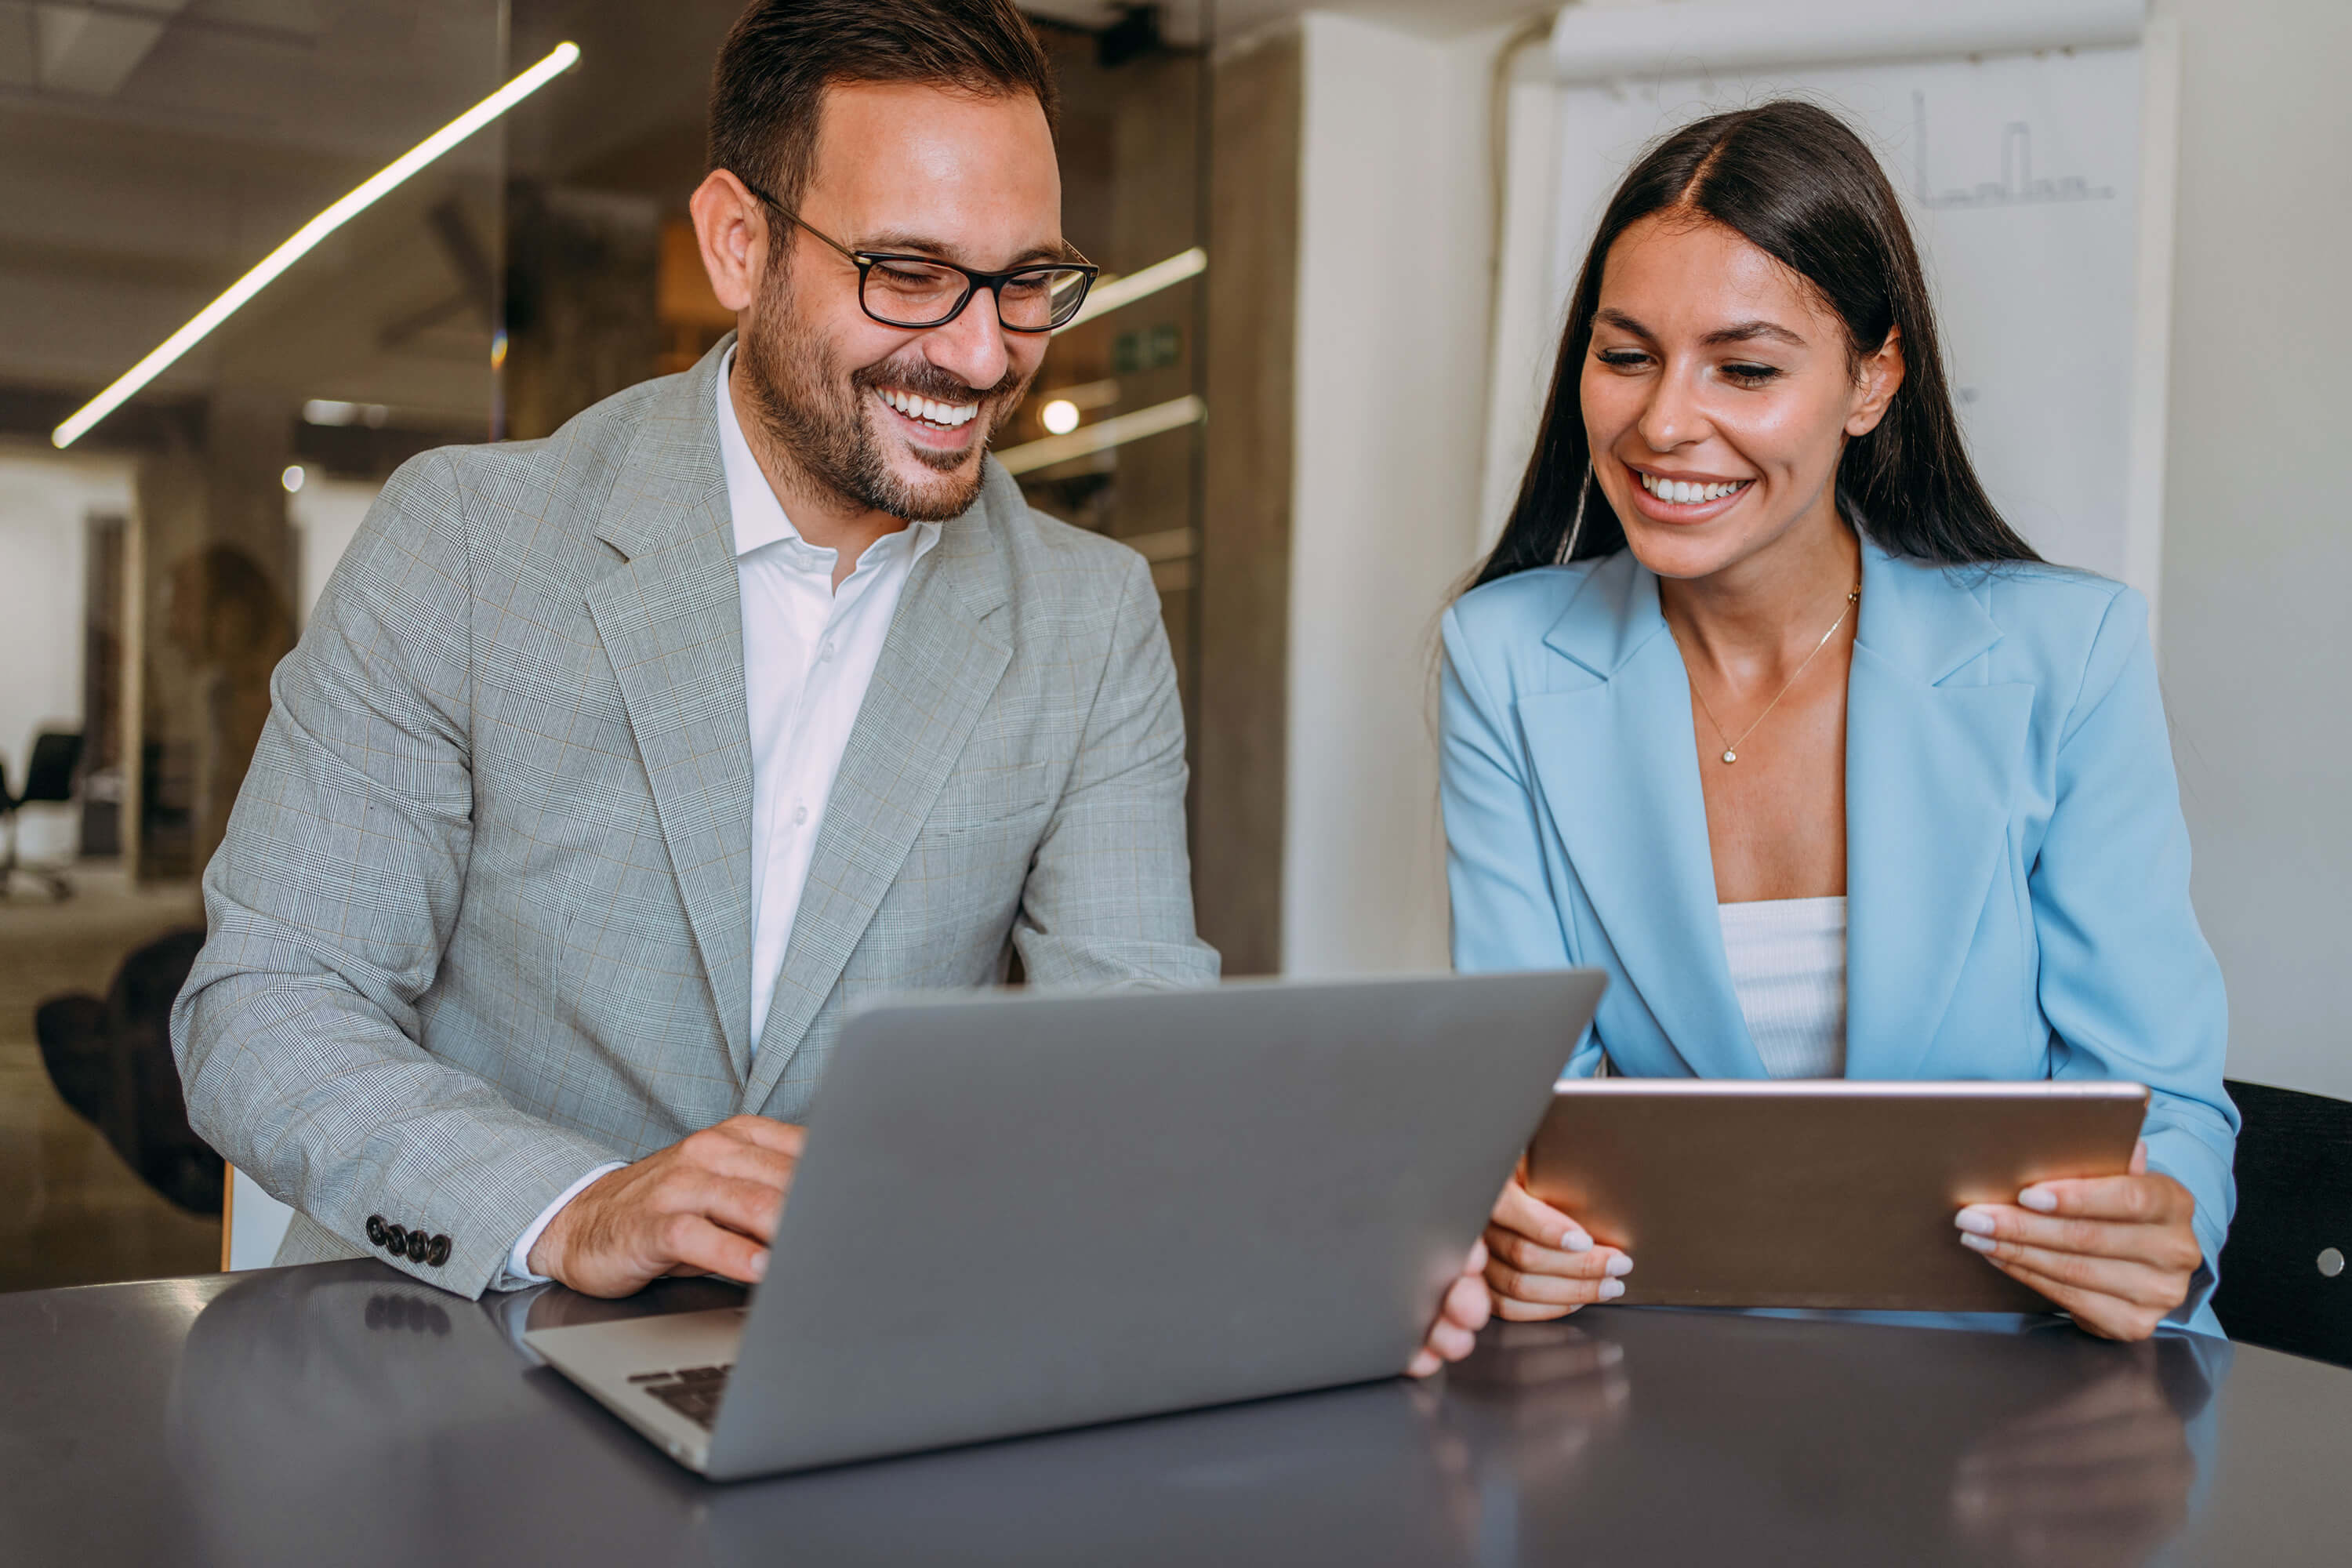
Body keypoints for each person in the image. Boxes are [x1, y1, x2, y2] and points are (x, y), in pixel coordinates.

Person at [174, 0, 1487, 1376]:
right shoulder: (467, 542)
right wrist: (579, 1206)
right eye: (910, 273)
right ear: (740, 244)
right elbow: (265, 1006)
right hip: (449, 1372)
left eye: (1025, 281)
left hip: (854, 1375)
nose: (984, 356)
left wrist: (1347, 1226)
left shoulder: (1088, 617)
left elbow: (1130, 1052)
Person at [1441, 100, 2234, 1341]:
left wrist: (2162, 1217)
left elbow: (2162, 1100)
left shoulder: (2063, 656)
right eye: (1626, 353)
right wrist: (1515, 1223)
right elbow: (1530, 1105)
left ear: (1870, 381)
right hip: (1663, 1384)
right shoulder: (1501, 658)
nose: (1662, 423)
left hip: (2015, 1384)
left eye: (1745, 368)